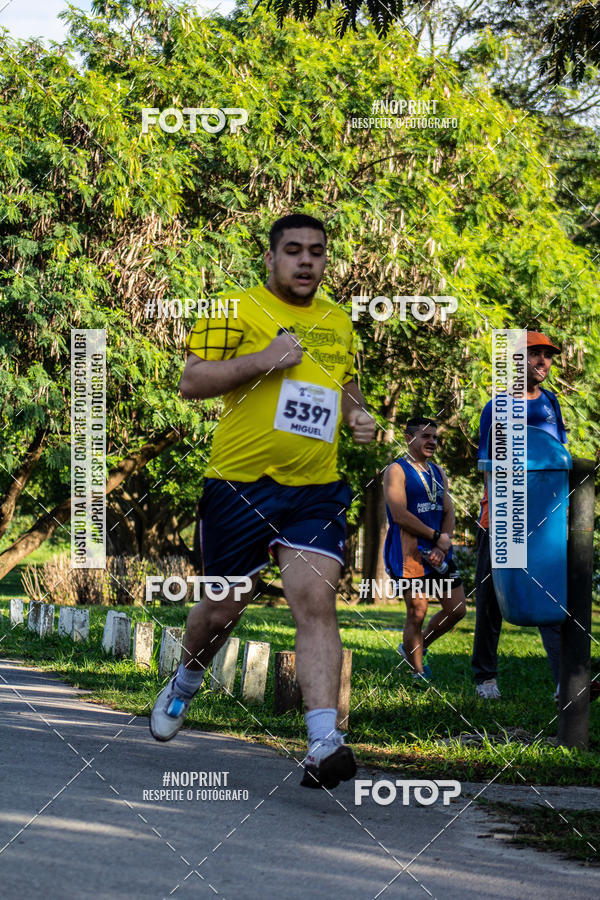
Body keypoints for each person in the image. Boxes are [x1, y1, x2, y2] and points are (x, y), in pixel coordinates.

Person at [150, 213, 375, 790]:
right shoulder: (234, 308)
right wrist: (267, 358)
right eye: (294, 251)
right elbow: (192, 381)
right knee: (223, 609)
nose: (307, 261)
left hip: (315, 489)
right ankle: (185, 680)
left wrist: (355, 413)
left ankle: (324, 743)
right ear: (270, 259)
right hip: (238, 485)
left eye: (317, 252)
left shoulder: (338, 320)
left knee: (314, 602)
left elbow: (344, 380)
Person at [472, 331, 568, 699]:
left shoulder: (551, 404)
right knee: (490, 598)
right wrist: (497, 513)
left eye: (548, 355)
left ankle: (565, 682)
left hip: (546, 521)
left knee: (554, 594)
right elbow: (487, 465)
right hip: (502, 517)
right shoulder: (496, 407)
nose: (543, 361)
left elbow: (559, 456)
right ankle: (485, 678)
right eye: (535, 354)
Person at [383, 417, 466, 685]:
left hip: (439, 550)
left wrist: (444, 541)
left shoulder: (439, 472)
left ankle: (415, 648)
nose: (432, 441)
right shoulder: (396, 471)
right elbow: (399, 515)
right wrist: (434, 537)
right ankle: (419, 674)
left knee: (457, 609)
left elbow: (448, 510)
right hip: (409, 553)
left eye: (435, 437)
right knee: (417, 612)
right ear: (408, 438)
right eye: (425, 436)